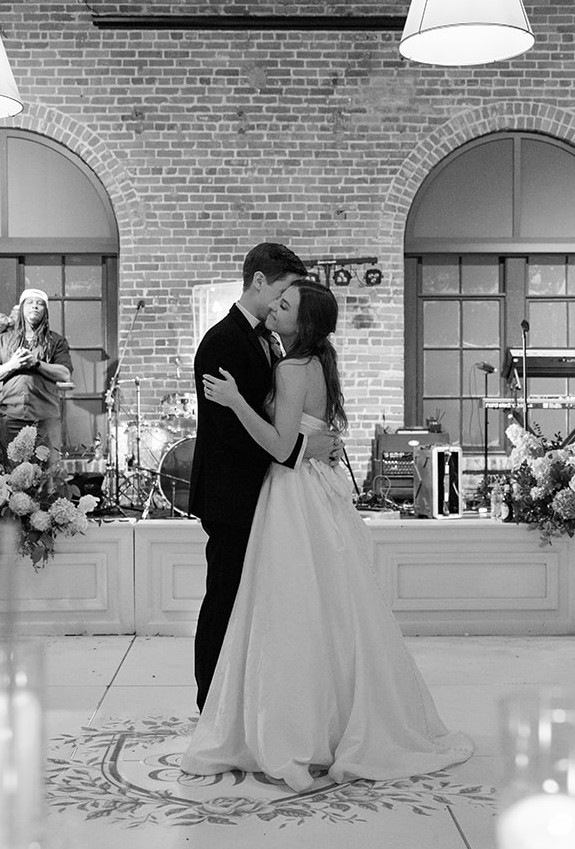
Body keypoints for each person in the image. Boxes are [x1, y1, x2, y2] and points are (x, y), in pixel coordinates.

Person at [182, 279, 473, 791]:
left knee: (289, 610)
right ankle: (326, 720)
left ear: (303, 322)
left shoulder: (293, 367)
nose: (276, 307)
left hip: (292, 493)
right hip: (312, 489)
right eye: (279, 299)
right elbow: (307, 434)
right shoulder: (318, 361)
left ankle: (291, 727)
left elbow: (277, 444)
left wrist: (234, 400)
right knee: (323, 610)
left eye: (287, 305)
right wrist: (310, 441)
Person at [187, 243, 330, 713]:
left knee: (251, 606)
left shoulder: (273, 342)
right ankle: (211, 706)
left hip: (264, 493)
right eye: (286, 290)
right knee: (224, 602)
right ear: (260, 283)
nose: (287, 302)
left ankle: (245, 706)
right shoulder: (224, 340)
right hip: (233, 495)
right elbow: (230, 432)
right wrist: (302, 451)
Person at [0, 288, 72, 455]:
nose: (35, 306)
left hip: (45, 417)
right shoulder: (3, 339)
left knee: (47, 474)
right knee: (12, 473)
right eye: (30, 302)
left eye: (40, 304)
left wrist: (36, 363)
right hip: (12, 416)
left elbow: (64, 373)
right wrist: (12, 364)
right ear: (22, 309)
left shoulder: (56, 340)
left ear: (45, 311)